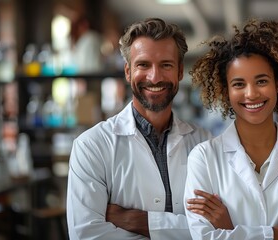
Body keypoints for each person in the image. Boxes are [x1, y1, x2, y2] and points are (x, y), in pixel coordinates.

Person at [184, 19, 278, 240]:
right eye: (239, 84)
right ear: (226, 92)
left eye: (261, 81)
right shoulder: (204, 159)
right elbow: (204, 237)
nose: (251, 94)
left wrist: (229, 230)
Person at [66, 18, 212, 239]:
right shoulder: (91, 146)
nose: (154, 77)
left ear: (180, 72)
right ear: (128, 71)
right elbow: (87, 234)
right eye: (143, 65)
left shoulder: (204, 142)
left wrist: (138, 221)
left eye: (166, 65)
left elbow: (217, 228)